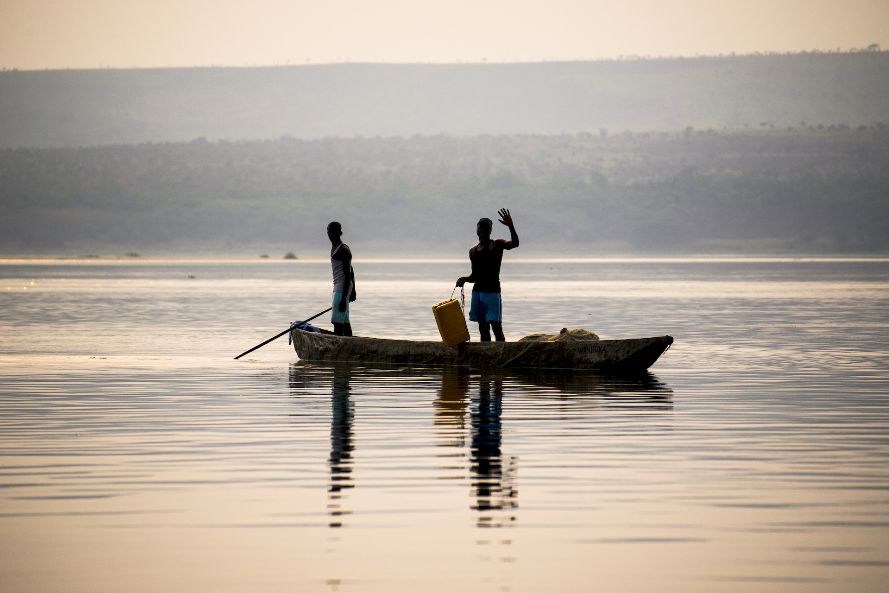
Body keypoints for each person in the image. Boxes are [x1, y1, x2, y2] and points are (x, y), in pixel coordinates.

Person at [456, 208, 519, 342]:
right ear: (477, 230)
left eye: (485, 229)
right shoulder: (472, 251)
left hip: (492, 293)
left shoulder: (496, 245)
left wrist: (511, 226)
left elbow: (515, 243)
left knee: (496, 327)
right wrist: (464, 279)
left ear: (490, 231)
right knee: (483, 328)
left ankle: (501, 355)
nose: (482, 231)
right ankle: (486, 357)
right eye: (480, 228)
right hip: (477, 293)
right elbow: (475, 276)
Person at [327, 221, 356, 336]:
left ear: (340, 233)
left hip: (341, 289)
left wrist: (345, 297)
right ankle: (351, 346)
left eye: (333, 232)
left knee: (337, 323)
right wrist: (352, 291)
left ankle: (338, 349)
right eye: (328, 232)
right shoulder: (334, 247)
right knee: (344, 321)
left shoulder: (343, 250)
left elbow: (349, 274)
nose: (330, 235)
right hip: (340, 288)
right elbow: (351, 269)